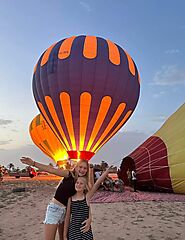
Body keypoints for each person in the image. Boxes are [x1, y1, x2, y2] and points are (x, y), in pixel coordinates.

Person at [20, 156, 92, 240]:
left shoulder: (82, 184)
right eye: (80, 167)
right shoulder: (68, 174)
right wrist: (34, 163)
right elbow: (51, 170)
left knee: (63, 238)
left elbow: (86, 202)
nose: (82, 170)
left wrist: (90, 218)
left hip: (66, 213)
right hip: (54, 209)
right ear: (76, 166)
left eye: (85, 168)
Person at [63, 166, 112, 240]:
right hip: (73, 231)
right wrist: (64, 235)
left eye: (81, 184)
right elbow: (67, 217)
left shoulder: (87, 197)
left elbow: (97, 183)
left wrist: (107, 171)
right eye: (77, 183)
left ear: (85, 187)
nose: (78, 185)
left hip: (85, 229)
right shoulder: (71, 198)